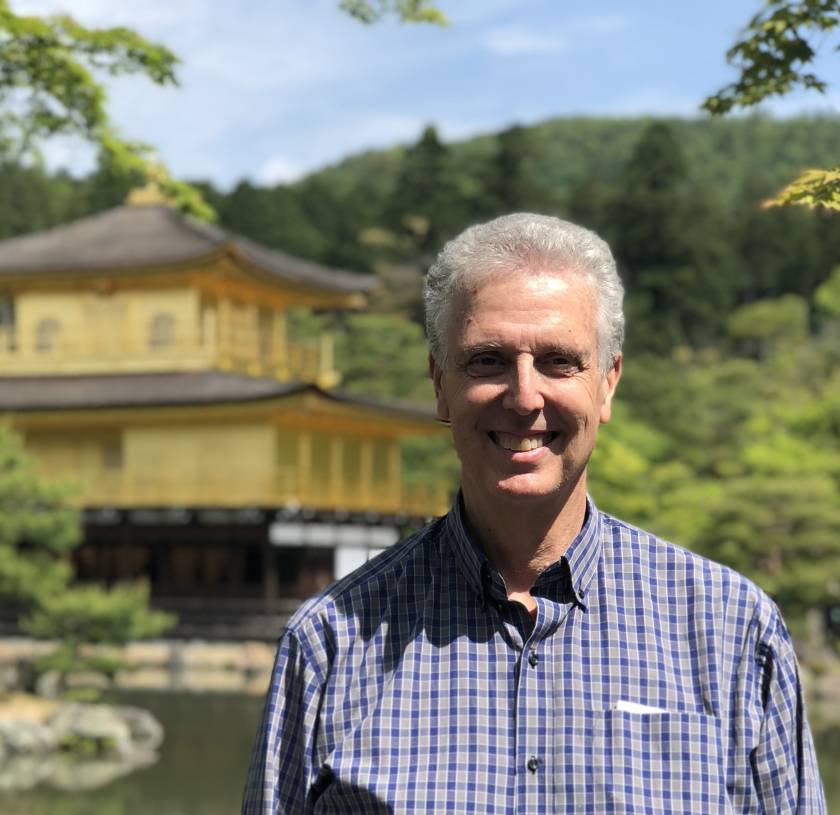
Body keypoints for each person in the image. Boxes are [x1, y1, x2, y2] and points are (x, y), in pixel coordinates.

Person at [242, 213, 826, 813]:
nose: (524, 396)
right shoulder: (331, 642)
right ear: (440, 384)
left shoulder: (730, 630)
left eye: (559, 361)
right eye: (488, 360)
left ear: (607, 384)